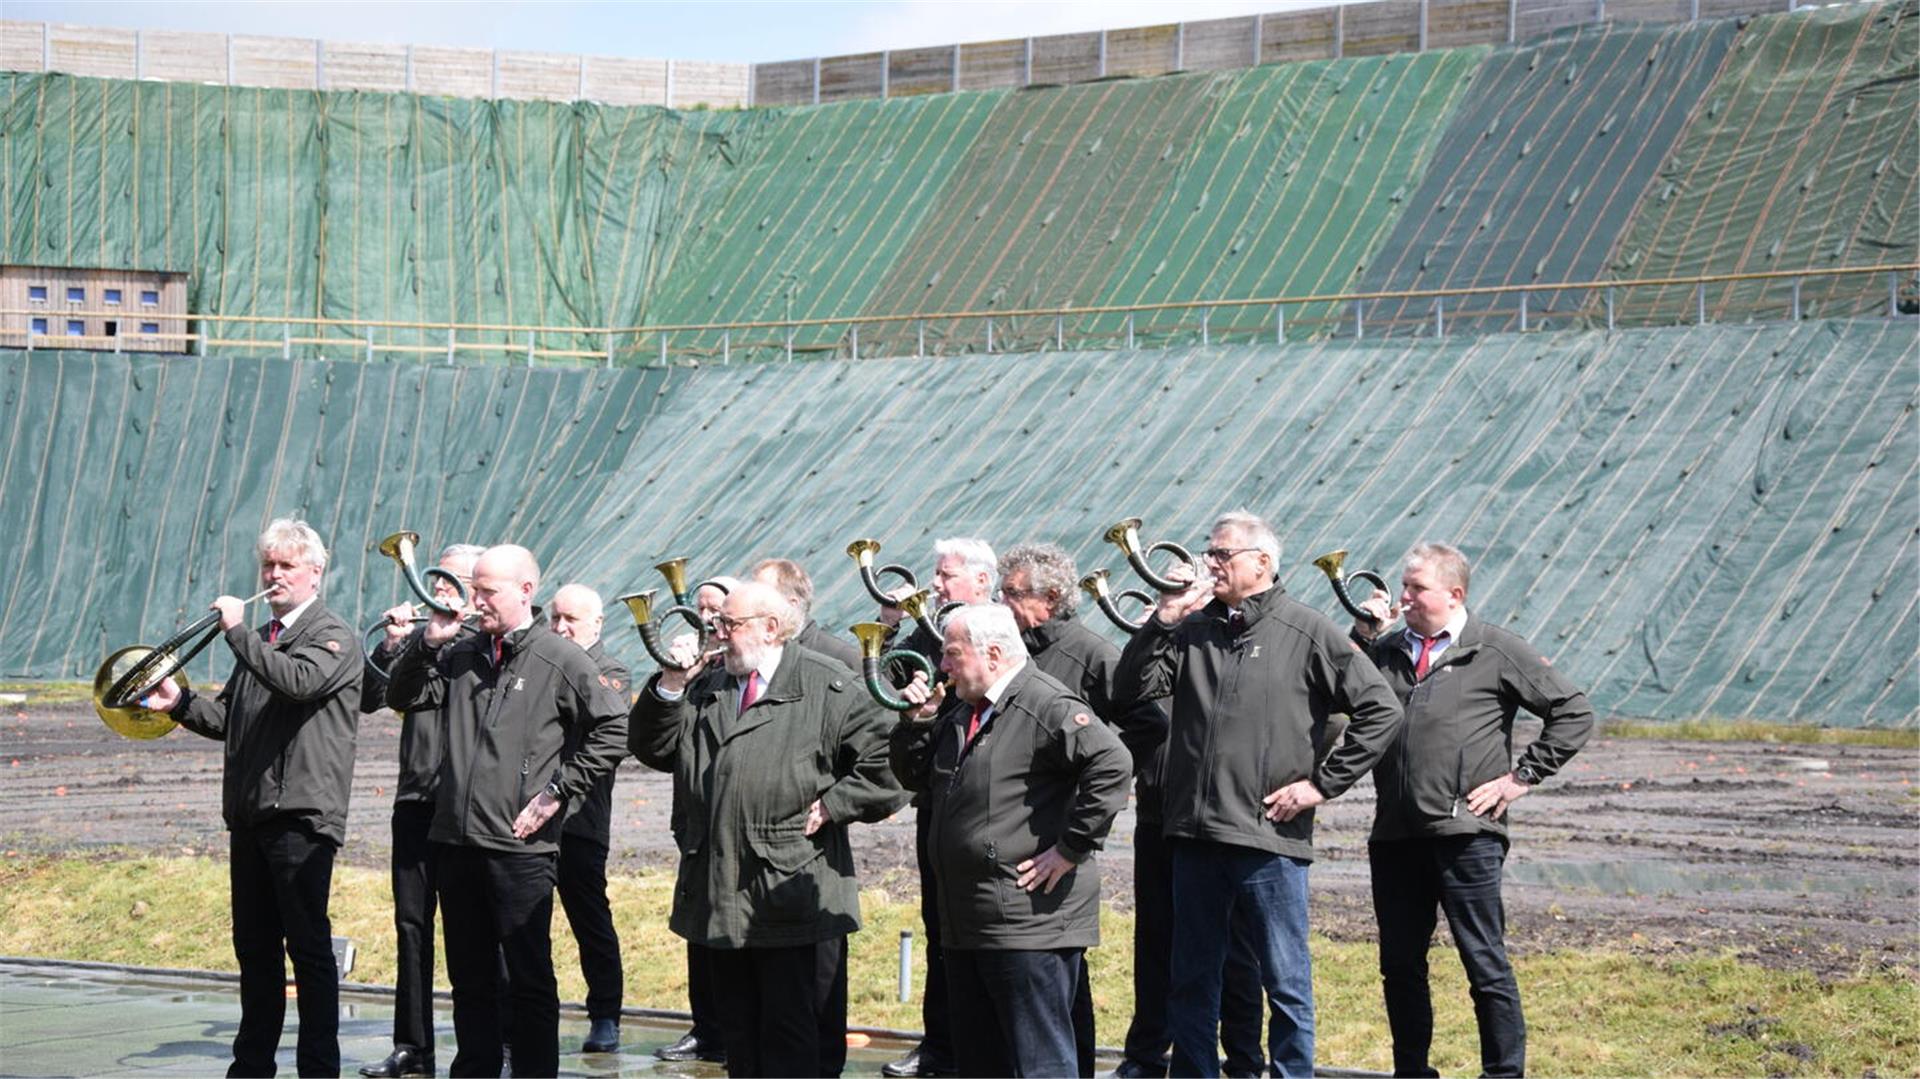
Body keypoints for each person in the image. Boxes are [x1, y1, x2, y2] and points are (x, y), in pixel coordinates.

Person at [1113, 510, 1404, 1078]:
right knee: (1192, 980)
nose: (1209, 564)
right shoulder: (1194, 629)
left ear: (1262, 562)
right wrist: (1164, 621)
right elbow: (1130, 692)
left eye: (1222, 554)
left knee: (1284, 979)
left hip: (1269, 837)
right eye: (1209, 553)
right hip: (1194, 838)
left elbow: (1380, 710)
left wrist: (1321, 784)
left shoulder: (1306, 631)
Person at [998, 543, 1265, 1079]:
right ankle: (1148, 1056)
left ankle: (1242, 1061)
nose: (1001, 601)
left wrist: (1098, 776)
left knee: (1232, 950)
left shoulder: (1230, 638)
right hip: (1162, 814)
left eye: (1010, 593)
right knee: (1157, 942)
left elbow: (1145, 726)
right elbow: (1137, 693)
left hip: (1217, 814)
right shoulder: (1161, 636)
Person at [629, 581, 910, 1077]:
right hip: (721, 892)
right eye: (717, 623)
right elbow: (654, 747)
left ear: (771, 628)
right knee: (741, 1040)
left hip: (793, 892)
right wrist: (671, 682)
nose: (717, 633)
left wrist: (836, 804)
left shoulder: (828, 685)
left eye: (729, 625)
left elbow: (891, 767)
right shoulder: (707, 685)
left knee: (794, 1039)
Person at [385, 544, 627, 1078]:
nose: (476, 601)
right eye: (474, 589)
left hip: (520, 848)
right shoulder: (461, 653)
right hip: (455, 840)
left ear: (525, 591)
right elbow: (401, 694)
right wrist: (426, 644)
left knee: (528, 976)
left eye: (487, 591)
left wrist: (557, 791)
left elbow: (615, 728)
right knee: (469, 978)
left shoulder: (559, 659)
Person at [1352, 543, 1594, 1079]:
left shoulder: (1494, 649)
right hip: (1395, 834)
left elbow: (1572, 712)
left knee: (1483, 961)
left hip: (1466, 835)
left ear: (1454, 594)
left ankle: (1503, 1073)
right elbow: (1336, 695)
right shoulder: (1388, 651)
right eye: (1405, 586)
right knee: (1399, 967)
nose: (1404, 596)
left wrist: (1521, 777)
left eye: (1416, 588)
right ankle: (1411, 1072)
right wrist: (1365, 635)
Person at [142, 518, 362, 1078]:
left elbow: (299, 683)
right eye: (268, 565)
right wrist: (180, 702)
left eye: (286, 566)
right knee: (255, 951)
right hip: (252, 815)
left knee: (308, 952)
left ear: (315, 573)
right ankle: (251, 1067)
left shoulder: (332, 635)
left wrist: (238, 635)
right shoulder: (262, 640)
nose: (273, 575)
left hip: (300, 817)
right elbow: (228, 718)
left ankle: (318, 1068)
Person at [890, 603, 1131, 1077]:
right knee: (982, 1060)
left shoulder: (1045, 704)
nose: (942, 666)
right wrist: (917, 722)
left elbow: (1112, 764)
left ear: (994, 654)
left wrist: (1068, 849)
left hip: (1026, 920)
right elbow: (914, 776)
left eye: (952, 654)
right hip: (968, 917)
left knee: (1036, 1060)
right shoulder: (963, 708)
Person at [359, 543, 484, 1079]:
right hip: (415, 799)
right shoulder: (421, 638)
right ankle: (412, 1045)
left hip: (469, 806)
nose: (439, 592)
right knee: (412, 925)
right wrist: (394, 645)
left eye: (452, 583)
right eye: (437, 582)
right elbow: (373, 696)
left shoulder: (487, 643)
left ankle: (489, 1041)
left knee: (476, 929)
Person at [881, 537, 997, 1079]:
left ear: (981, 581)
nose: (936, 583)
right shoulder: (935, 634)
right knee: (939, 926)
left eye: (946, 575)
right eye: (936, 573)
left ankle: (981, 1045)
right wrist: (889, 626)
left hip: (993, 804)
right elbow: (891, 682)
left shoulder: (999, 635)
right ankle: (941, 1045)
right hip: (938, 798)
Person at [654, 574, 740, 1067]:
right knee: (696, 928)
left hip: (730, 822)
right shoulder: (696, 668)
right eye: (700, 608)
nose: (706, 618)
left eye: (716, 609)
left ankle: (729, 1030)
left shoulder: (732, 670)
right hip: (694, 821)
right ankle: (705, 1027)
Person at [548, 583, 633, 1056]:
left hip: (580, 819)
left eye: (570, 621)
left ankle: (605, 1015)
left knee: (591, 922)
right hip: (530, 820)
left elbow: (606, 731)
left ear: (596, 625)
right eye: (554, 620)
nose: (560, 629)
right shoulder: (540, 662)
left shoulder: (611, 671)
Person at [751, 557, 859, 671]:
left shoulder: (842, 657)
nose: (750, 605)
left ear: (791, 604)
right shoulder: (755, 658)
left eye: (761, 599)